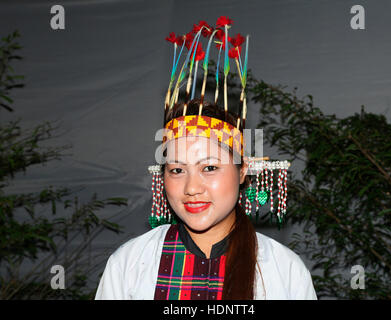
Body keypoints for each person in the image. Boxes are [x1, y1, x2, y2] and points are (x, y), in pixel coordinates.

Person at [95, 17, 317, 300]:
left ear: (242, 170)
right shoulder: (129, 265)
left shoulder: (284, 271)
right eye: (177, 170)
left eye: (209, 167)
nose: (191, 188)